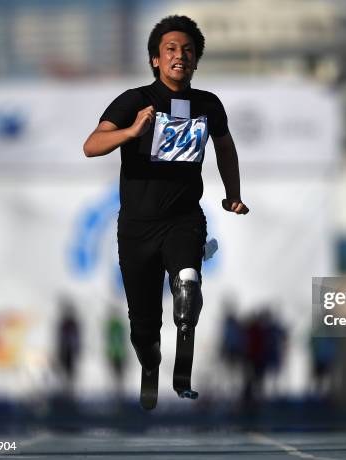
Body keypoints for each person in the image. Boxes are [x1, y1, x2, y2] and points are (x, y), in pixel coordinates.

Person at [83, 15, 249, 409]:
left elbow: (224, 148)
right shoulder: (134, 100)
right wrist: (130, 133)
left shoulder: (208, 105)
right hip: (138, 227)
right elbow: (91, 145)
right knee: (143, 324)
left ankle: (183, 370)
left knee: (187, 287)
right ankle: (150, 362)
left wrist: (232, 194)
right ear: (156, 59)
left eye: (188, 51)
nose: (180, 56)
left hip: (183, 220)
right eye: (171, 50)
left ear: (196, 61)